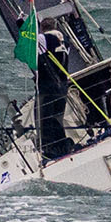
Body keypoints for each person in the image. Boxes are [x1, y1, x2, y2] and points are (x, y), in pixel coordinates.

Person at [36, 19, 72, 160]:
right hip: (62, 86)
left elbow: (31, 41)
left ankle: (50, 150)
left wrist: (21, 23)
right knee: (58, 117)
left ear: (42, 28)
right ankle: (62, 146)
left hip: (48, 84)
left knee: (46, 118)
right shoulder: (65, 43)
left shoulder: (43, 38)